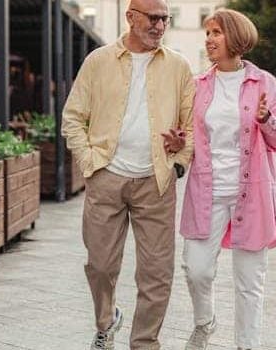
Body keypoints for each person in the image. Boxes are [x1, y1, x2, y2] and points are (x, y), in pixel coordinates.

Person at [60, 0, 194, 348]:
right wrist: (89, 161)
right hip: (107, 177)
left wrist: (178, 161)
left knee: (157, 274)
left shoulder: (179, 67)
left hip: (157, 181)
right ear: (131, 17)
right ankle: (106, 322)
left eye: (165, 19)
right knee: (101, 265)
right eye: (153, 18)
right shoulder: (98, 61)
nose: (160, 25)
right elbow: (73, 117)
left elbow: (192, 125)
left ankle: (145, 342)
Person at [178, 8, 276, 350]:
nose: (209, 39)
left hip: (251, 194)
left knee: (249, 282)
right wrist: (177, 143)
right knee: (196, 269)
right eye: (207, 33)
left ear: (236, 38)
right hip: (206, 192)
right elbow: (187, 137)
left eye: (216, 32)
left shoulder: (264, 83)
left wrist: (266, 119)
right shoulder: (198, 86)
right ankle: (205, 322)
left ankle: (247, 345)